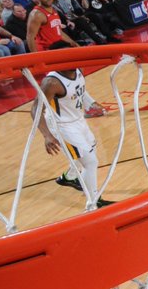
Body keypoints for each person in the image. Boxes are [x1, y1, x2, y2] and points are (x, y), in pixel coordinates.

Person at [34, 67, 112, 209]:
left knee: (88, 152)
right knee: (90, 162)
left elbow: (80, 90)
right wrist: (47, 135)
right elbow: (36, 109)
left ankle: (69, 177)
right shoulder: (51, 82)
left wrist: (91, 103)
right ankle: (93, 204)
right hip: (62, 126)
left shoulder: (78, 70)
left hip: (78, 120)